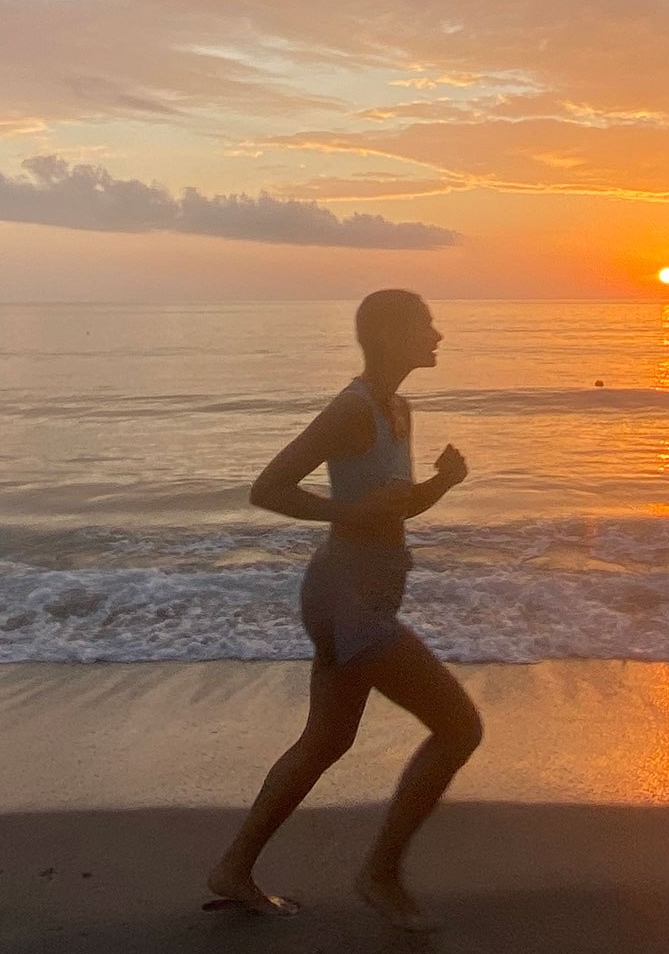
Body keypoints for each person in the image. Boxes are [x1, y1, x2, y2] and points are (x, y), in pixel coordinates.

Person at [206, 289, 482, 933]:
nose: (438, 335)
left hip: (358, 592)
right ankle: (380, 875)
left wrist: (442, 484)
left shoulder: (398, 410)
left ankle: (233, 868)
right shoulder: (351, 412)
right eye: (425, 324)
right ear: (390, 335)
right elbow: (267, 488)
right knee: (459, 728)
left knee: (327, 739)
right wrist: (344, 513)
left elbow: (393, 508)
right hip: (349, 598)